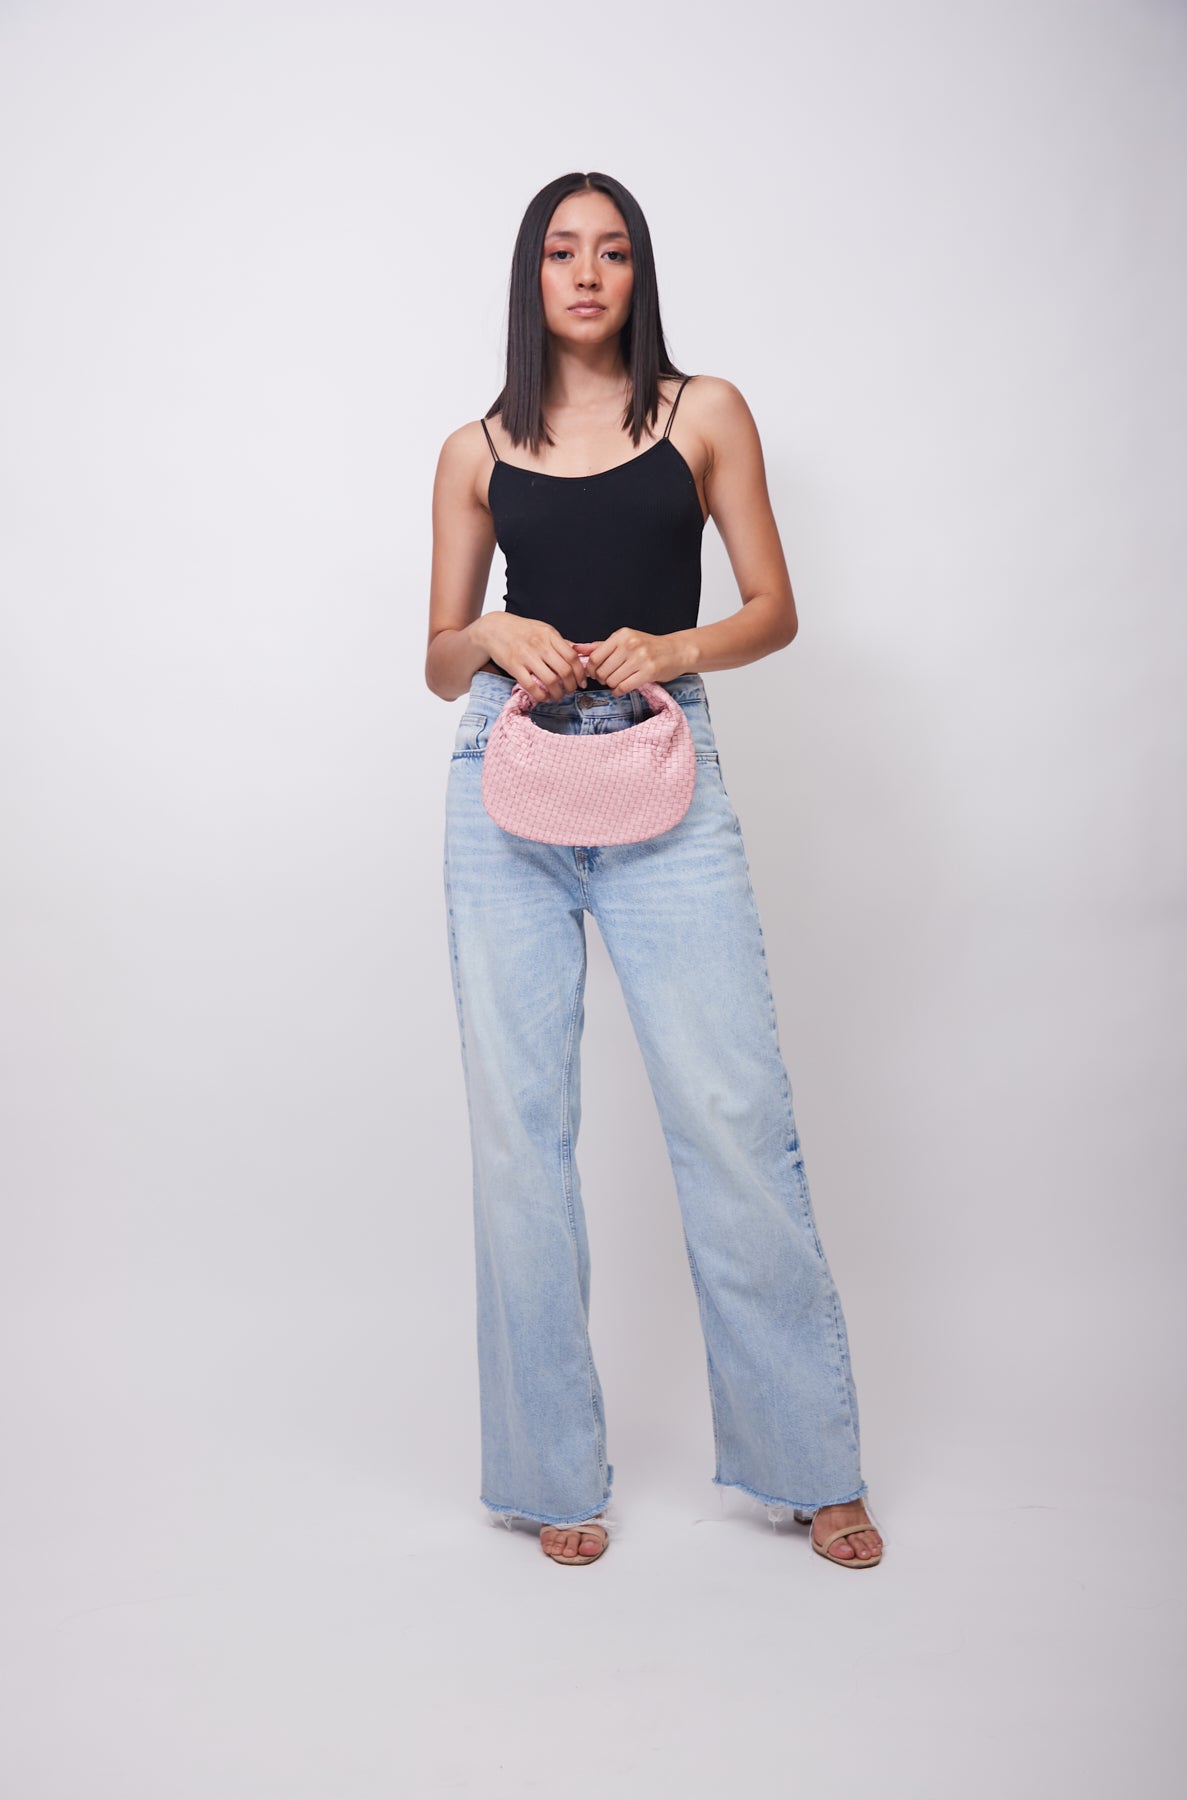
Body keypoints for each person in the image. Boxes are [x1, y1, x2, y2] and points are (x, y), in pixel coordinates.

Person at [425, 171, 884, 1570]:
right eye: (563, 251)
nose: (587, 273)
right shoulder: (474, 448)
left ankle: (809, 1465)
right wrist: (492, 640)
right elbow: (436, 655)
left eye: (613, 251)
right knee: (520, 1139)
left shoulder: (705, 415)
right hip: (504, 779)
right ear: (531, 274)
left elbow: (775, 608)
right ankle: (549, 1478)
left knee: (733, 1116)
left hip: (663, 763)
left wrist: (674, 648)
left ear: (639, 274)